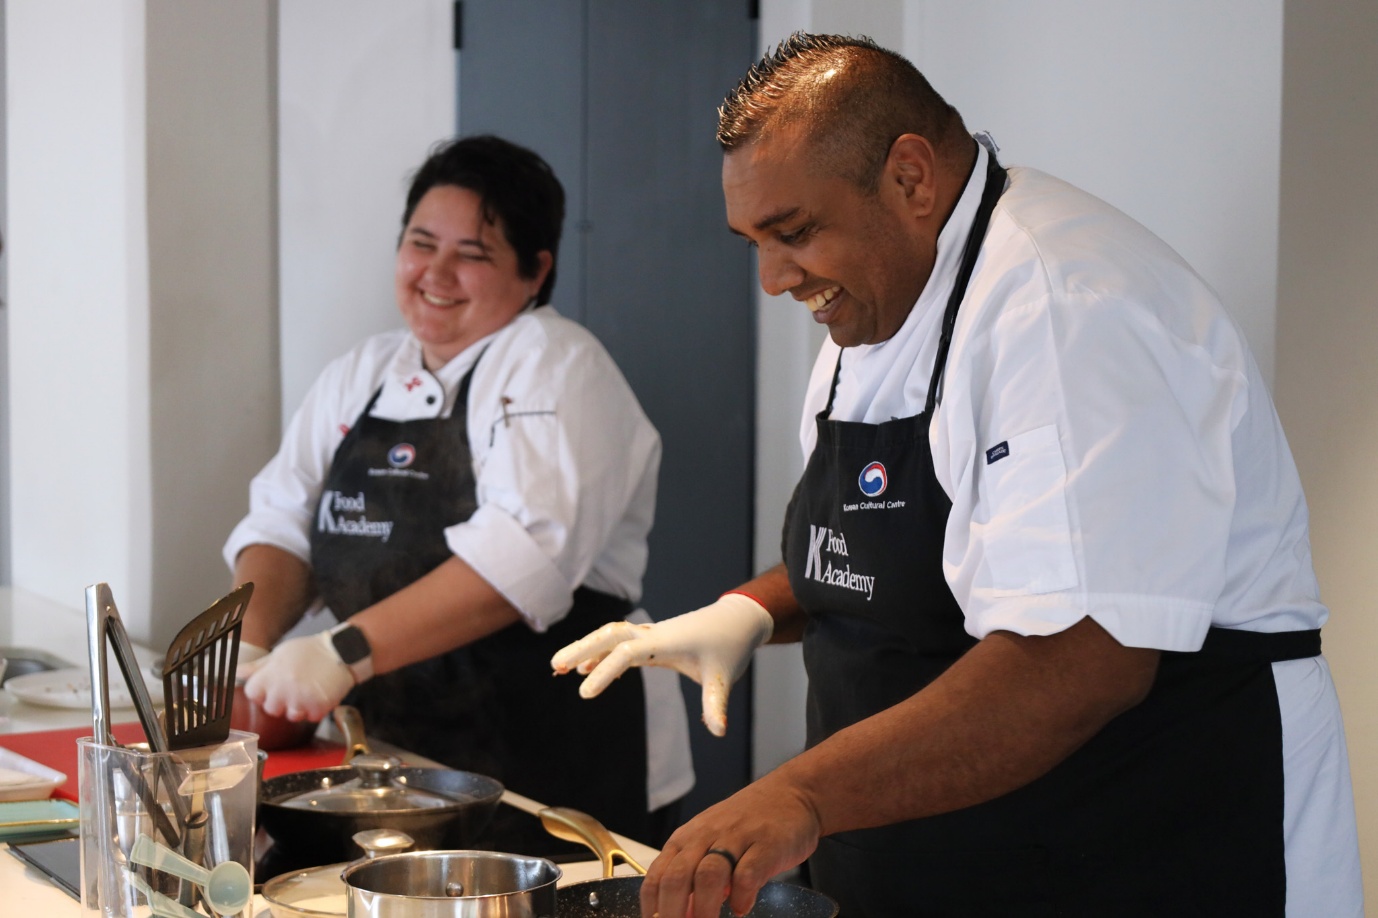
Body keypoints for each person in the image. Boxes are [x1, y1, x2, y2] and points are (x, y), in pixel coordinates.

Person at [552, 33, 1362, 917]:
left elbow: (1078, 661)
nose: (775, 279)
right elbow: (905, 545)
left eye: (794, 234)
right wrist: (747, 611)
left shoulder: (1065, 312)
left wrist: (800, 795)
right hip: (949, 851)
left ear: (910, 177)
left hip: (1152, 837)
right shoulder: (877, 305)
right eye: (753, 241)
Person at [227, 134, 693, 843]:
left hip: (553, 768)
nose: (436, 273)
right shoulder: (365, 372)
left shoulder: (557, 365)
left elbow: (518, 562)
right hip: (399, 762)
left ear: (536, 270)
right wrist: (250, 646)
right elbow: (286, 520)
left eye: (472, 254)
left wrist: (339, 653)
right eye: (421, 244)